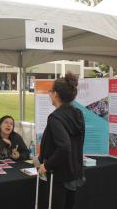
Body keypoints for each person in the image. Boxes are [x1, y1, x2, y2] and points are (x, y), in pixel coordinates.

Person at [38, 72, 85, 209]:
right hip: (73, 173)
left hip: (59, 176)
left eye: (50, 91)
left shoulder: (55, 118)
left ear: (56, 94)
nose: (49, 94)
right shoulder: (78, 114)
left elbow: (65, 147)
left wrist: (46, 165)